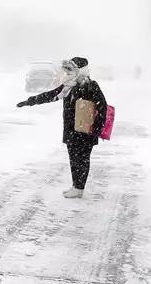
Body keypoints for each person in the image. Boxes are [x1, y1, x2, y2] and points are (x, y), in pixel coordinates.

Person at [16, 57, 107, 198]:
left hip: (86, 132)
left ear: (80, 70)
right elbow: (51, 95)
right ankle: (76, 186)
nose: (68, 73)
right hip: (72, 131)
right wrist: (30, 101)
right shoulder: (67, 86)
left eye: (71, 69)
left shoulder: (90, 86)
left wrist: (96, 130)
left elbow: (102, 107)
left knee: (82, 159)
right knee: (74, 158)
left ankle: (79, 188)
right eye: (67, 70)